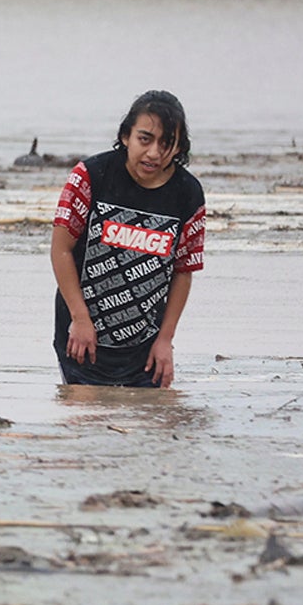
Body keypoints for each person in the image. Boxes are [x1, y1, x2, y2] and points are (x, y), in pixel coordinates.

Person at [49, 90, 205, 387]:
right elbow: (61, 250)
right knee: (85, 413)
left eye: (166, 143)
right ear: (125, 136)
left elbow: (183, 271)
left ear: (179, 147)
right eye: (145, 139)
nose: (154, 153)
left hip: (145, 348)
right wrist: (80, 319)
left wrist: (166, 339)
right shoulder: (90, 177)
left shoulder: (188, 193)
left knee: (149, 416)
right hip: (82, 338)